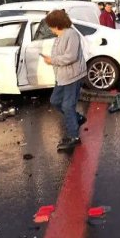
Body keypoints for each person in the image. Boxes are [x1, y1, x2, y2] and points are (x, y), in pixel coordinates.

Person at [41, 10, 88, 151]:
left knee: (68, 106)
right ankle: (77, 118)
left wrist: (52, 60)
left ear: (57, 24)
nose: (50, 28)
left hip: (73, 76)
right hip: (62, 77)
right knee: (55, 101)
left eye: (50, 25)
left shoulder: (71, 34)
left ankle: (74, 136)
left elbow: (71, 56)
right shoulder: (59, 36)